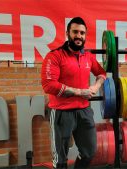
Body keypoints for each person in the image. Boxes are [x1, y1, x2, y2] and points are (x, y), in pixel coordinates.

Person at [41, 17, 106, 169]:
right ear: (67, 33)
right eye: (75, 32)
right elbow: (48, 85)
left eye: (82, 33)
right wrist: (78, 92)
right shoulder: (55, 56)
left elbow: (102, 73)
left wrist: (96, 87)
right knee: (61, 158)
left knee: (89, 152)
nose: (79, 36)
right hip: (61, 112)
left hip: (84, 111)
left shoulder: (88, 56)